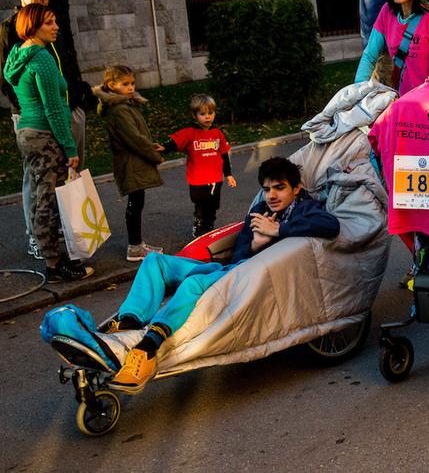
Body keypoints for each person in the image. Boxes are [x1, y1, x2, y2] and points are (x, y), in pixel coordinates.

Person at [107, 156, 341, 393]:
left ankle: (148, 347)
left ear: (296, 188)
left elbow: (331, 226)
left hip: (248, 278)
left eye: (280, 188)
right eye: (267, 189)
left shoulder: (305, 208)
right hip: (234, 268)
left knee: (193, 283)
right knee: (154, 261)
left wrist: (279, 229)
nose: (271, 195)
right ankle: (129, 322)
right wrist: (256, 245)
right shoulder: (260, 210)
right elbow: (239, 255)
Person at [1, 0, 90, 260]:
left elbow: (64, 68)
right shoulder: (15, 32)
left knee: (62, 176)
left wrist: (78, 94)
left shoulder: (47, 28)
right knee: (39, 181)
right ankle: (39, 238)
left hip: (64, 111)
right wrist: (28, 106)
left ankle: (57, 231)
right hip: (37, 118)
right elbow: (9, 78)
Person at [93, 65, 165, 262]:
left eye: (132, 83)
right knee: (135, 203)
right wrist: (154, 155)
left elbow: (138, 135)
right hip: (131, 163)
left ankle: (137, 244)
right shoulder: (119, 110)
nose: (131, 87)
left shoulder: (126, 106)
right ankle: (134, 247)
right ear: (111, 85)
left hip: (134, 161)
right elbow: (134, 138)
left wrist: (151, 146)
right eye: (125, 84)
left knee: (137, 202)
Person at [156, 94, 236, 238]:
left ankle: (209, 228)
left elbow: (224, 155)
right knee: (201, 205)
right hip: (197, 179)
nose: (207, 117)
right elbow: (175, 141)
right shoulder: (190, 133)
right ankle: (199, 228)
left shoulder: (217, 133)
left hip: (215, 179)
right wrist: (164, 147)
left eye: (210, 113)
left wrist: (228, 174)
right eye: (202, 114)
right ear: (195, 115)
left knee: (212, 206)